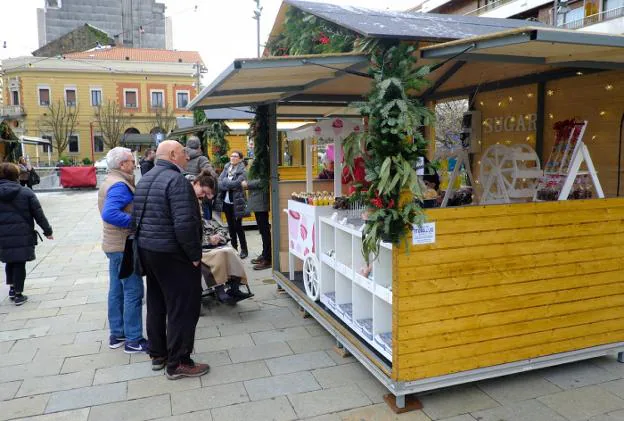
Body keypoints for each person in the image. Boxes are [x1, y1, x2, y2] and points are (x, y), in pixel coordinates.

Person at [133, 140, 209, 380]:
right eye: (184, 153)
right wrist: (194, 256)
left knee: (156, 301)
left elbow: (136, 217)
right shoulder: (177, 180)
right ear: (174, 154)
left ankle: (158, 353)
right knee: (183, 307)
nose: (187, 157)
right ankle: (179, 362)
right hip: (172, 253)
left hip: (149, 249)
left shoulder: (145, 178)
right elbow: (185, 224)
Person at [98, 147, 148, 354]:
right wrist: (135, 223)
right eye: (130, 160)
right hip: (122, 246)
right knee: (133, 291)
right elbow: (110, 214)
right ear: (122, 164)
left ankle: (117, 334)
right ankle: (133, 339)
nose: (134, 163)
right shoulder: (120, 185)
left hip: (114, 245)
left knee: (117, 290)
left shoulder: (112, 180)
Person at [191, 169, 252, 304]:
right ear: (196, 183)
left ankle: (235, 286)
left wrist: (219, 234)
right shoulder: (188, 201)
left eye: (206, 194)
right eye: (204, 193)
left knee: (231, 252)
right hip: (196, 245)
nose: (203, 196)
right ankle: (220, 290)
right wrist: (209, 239)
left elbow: (206, 222)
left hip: (205, 240)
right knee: (221, 254)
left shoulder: (197, 201)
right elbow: (191, 231)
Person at [0, 163, 53, 306]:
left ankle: (11, 288)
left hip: (2, 235)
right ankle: (18, 294)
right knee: (19, 262)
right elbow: (38, 214)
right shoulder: (26, 193)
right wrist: (47, 230)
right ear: (16, 176)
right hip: (22, 233)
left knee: (9, 259)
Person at [216, 151, 248, 259]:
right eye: (232, 156)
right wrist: (227, 185)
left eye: (235, 156)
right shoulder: (226, 168)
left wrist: (226, 182)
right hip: (226, 202)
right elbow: (219, 183)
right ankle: (234, 248)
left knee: (238, 227)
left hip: (237, 203)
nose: (233, 158)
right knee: (230, 227)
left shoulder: (242, 170)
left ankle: (244, 249)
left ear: (240, 159)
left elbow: (237, 184)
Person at [185, 136, 217, 221]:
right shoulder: (201, 158)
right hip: (199, 192)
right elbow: (211, 173)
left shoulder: (182, 156)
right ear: (199, 146)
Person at [242, 176, 271, 270]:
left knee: (265, 231)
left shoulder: (264, 164)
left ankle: (267, 259)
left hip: (261, 202)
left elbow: (263, 180)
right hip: (257, 202)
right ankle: (264, 254)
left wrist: (248, 184)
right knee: (262, 231)